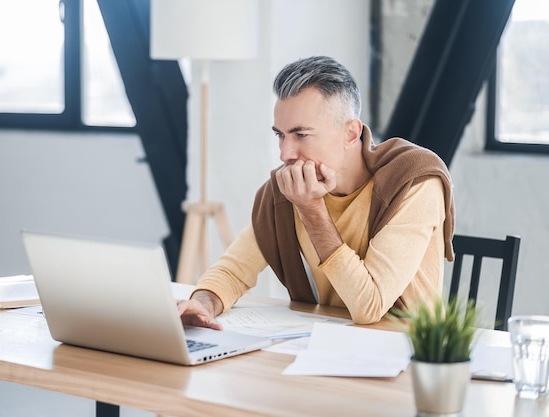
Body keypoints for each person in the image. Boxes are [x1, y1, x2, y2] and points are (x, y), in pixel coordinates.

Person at [177, 56, 455, 330]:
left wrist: (311, 210)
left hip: (411, 354)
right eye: (280, 135)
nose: (285, 154)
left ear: (350, 133)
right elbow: (232, 271)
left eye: (301, 135)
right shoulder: (288, 189)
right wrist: (203, 304)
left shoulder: (414, 180)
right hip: (330, 342)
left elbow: (369, 307)